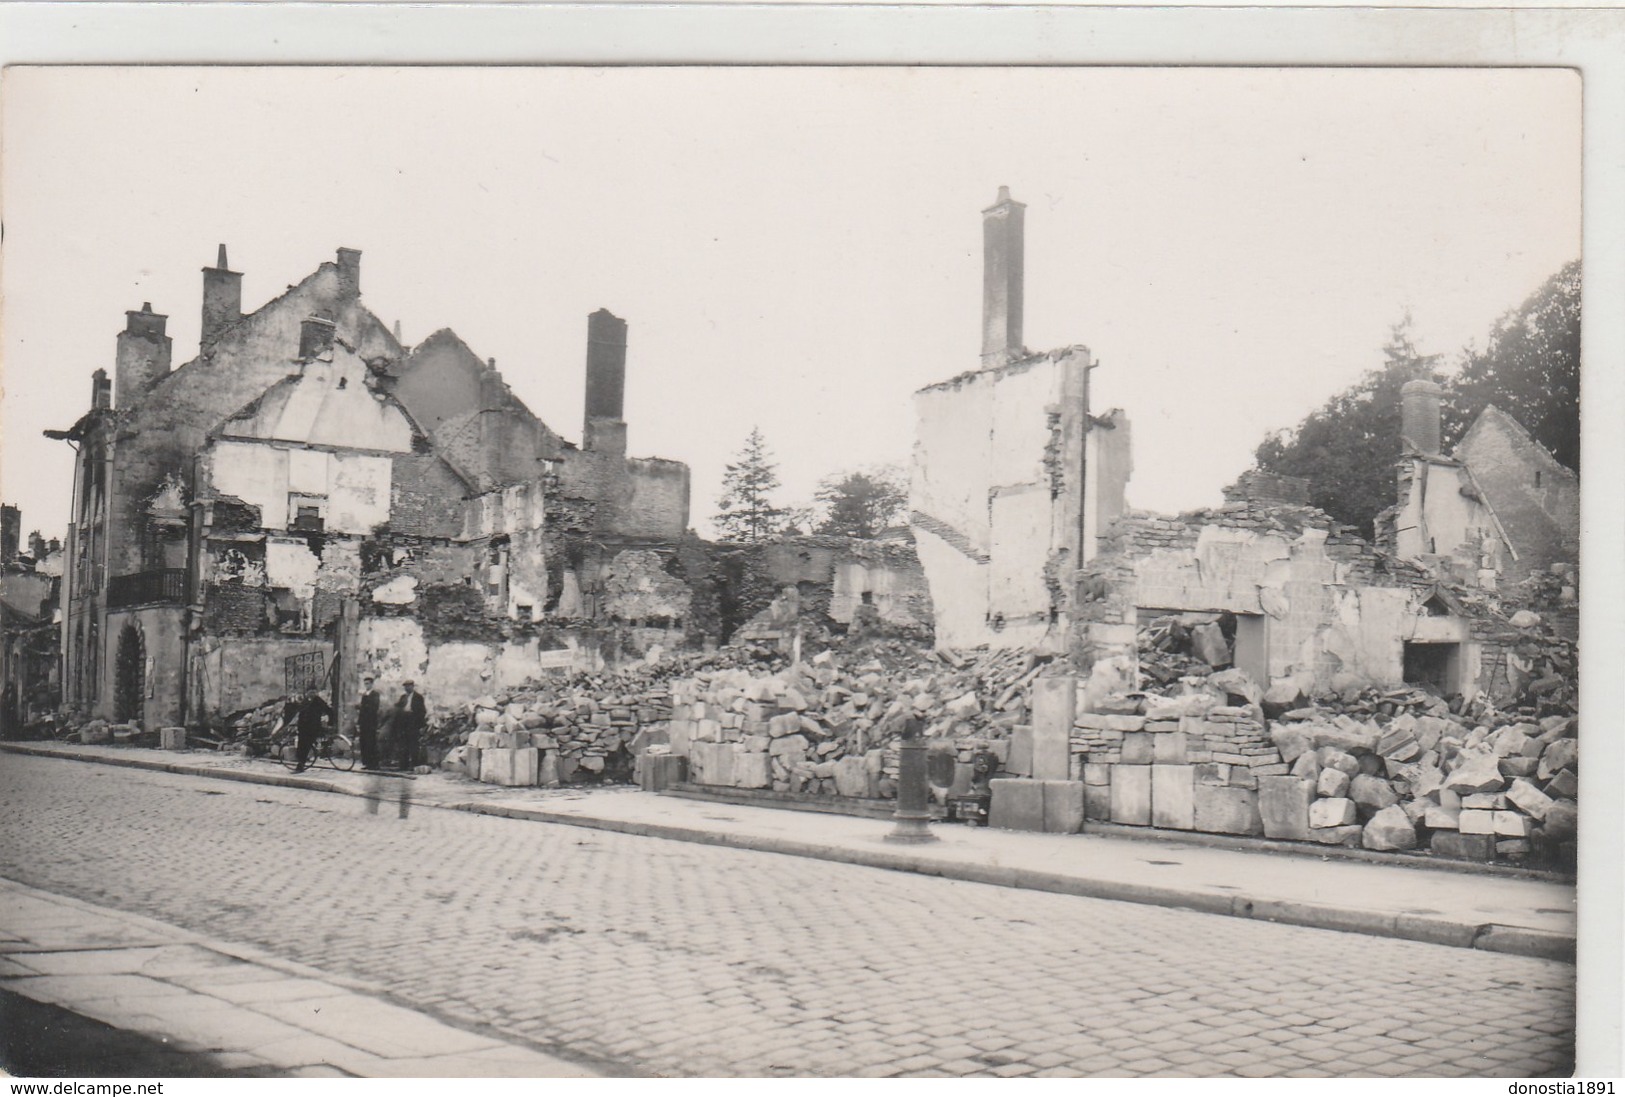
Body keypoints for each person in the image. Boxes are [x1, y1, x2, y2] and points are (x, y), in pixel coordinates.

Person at [292, 687, 333, 773]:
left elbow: (329, 711)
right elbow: (300, 712)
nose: (312, 694)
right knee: (301, 745)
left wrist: (330, 723)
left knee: (305, 745)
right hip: (303, 727)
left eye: (314, 692)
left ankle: (301, 765)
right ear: (307, 692)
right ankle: (300, 763)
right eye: (310, 692)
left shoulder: (319, 701)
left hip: (312, 728)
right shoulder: (305, 701)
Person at [391, 680, 427, 770]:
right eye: (405, 686)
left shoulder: (418, 697)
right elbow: (398, 708)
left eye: (409, 686)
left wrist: (419, 724)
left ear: (412, 686)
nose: (407, 688)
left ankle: (414, 764)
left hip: (413, 722)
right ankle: (403, 765)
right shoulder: (403, 697)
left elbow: (422, 711)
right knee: (403, 744)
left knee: (413, 744)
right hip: (403, 722)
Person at [357, 674, 382, 770]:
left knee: (371, 742)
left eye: (368, 684)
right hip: (364, 722)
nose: (366, 686)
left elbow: (374, 707)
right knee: (363, 742)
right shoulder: (364, 695)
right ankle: (366, 762)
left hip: (371, 722)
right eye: (365, 684)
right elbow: (362, 710)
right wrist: (359, 722)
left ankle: (374, 763)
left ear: (372, 684)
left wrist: (363, 707)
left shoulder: (375, 694)